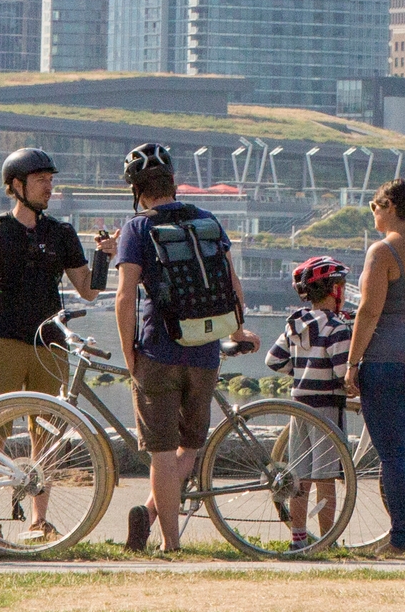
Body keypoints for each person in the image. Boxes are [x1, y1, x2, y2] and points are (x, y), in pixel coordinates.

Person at [0, 147, 105, 543]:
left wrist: (104, 257)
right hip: (2, 339)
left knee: (48, 435)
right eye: (41, 181)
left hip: (50, 343)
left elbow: (88, 290)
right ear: (16, 185)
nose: (49, 188)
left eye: (51, 181)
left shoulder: (62, 233)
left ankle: (39, 521)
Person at [109, 142, 249, 554]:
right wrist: (239, 331)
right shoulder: (208, 219)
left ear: (137, 189)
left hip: (158, 350)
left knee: (162, 454)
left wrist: (128, 353)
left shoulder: (138, 228)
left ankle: (169, 542)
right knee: (191, 446)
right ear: (172, 181)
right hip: (205, 350)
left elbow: (124, 296)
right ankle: (151, 514)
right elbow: (232, 282)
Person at [345, 178, 405, 556]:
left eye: (374, 205)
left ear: (389, 206)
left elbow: (369, 311)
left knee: (392, 456)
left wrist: (353, 362)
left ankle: (402, 540)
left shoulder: (381, 252)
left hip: (388, 359)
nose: (373, 212)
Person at [264, 255, 355, 551]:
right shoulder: (337, 328)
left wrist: (301, 373)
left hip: (299, 406)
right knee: (326, 477)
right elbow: (343, 372)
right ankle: (328, 540)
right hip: (327, 409)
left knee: (299, 477)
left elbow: (273, 360)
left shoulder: (296, 323)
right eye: (341, 284)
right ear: (333, 290)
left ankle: (298, 538)